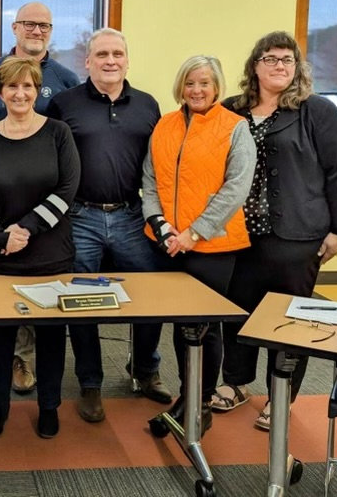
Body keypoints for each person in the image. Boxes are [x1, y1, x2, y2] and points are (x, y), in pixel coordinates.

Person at [215, 31, 337, 430]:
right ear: (255, 66)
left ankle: (281, 393)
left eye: (288, 60)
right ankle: (236, 382)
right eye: (271, 58)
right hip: (239, 235)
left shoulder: (317, 111)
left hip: (297, 235)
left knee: (291, 318)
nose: (280, 66)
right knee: (238, 312)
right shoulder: (232, 110)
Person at [46, 28, 172, 423]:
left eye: (118, 53)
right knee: (82, 303)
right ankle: (90, 383)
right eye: (102, 54)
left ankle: (145, 369)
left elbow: (159, 166)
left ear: (128, 60)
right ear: (87, 61)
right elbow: (50, 159)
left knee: (150, 294)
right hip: (80, 216)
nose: (110, 60)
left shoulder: (148, 106)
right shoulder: (65, 104)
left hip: (132, 215)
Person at [0, 1, 80, 393]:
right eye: (28, 24)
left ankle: (32, 373)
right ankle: (3, 366)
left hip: (46, 232)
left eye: (44, 25)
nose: (20, 93)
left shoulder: (66, 83)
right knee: (0, 321)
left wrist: (28, 228)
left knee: (48, 321)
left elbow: (67, 181)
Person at [142, 55, 256, 432]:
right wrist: (162, 228)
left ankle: (200, 402)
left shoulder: (234, 127)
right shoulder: (165, 124)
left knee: (204, 327)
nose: (197, 90)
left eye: (204, 83)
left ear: (217, 87)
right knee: (181, 326)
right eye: (190, 83)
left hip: (213, 247)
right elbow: (150, 178)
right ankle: (187, 396)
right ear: (181, 86)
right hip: (168, 244)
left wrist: (193, 233)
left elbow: (235, 188)